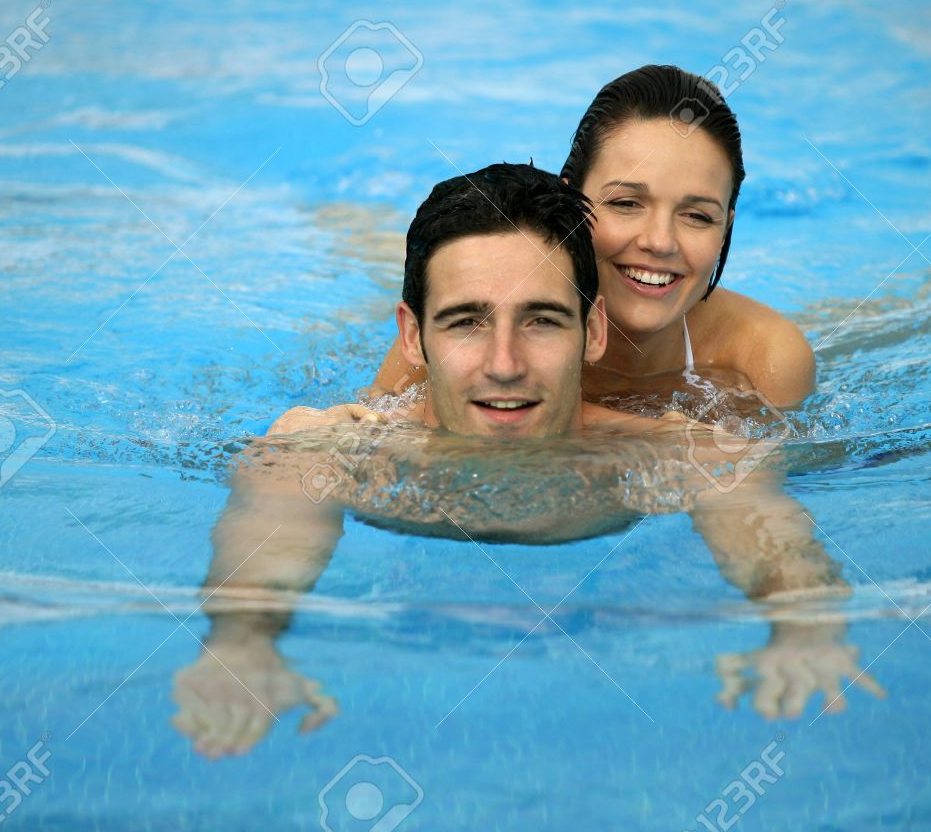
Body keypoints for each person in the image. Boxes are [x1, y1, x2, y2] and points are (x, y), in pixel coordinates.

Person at [170, 164, 881, 759]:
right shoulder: (332, 445)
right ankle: (345, 228)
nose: (504, 365)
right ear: (413, 339)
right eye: (465, 321)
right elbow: (273, 531)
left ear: (594, 330)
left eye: (541, 320)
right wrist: (240, 644)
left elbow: (774, 545)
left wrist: (805, 631)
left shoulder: (685, 448)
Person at [365, 64, 815, 413]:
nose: (660, 241)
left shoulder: (762, 363)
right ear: (570, 199)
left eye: (697, 215)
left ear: (727, 228)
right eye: (626, 204)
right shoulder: (465, 335)